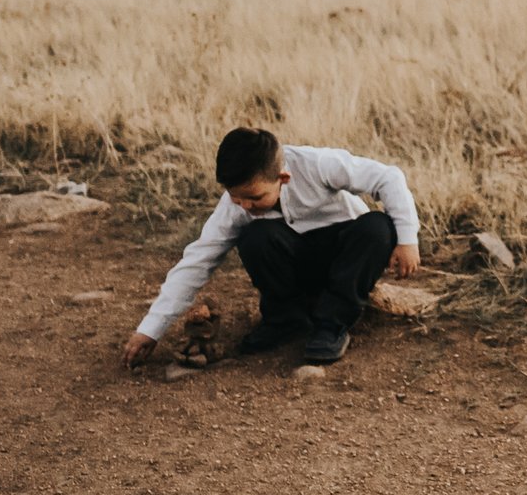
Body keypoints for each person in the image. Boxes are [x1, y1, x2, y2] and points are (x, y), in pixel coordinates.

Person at [120, 127, 422, 370]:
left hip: (344, 261)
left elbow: (388, 177)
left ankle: (332, 325)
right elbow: (198, 260)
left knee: (377, 228)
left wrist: (407, 239)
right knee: (255, 236)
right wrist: (151, 329)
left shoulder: (317, 164)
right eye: (236, 198)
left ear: (283, 178)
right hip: (297, 265)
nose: (245, 206)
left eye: (253, 197)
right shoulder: (236, 205)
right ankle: (285, 320)